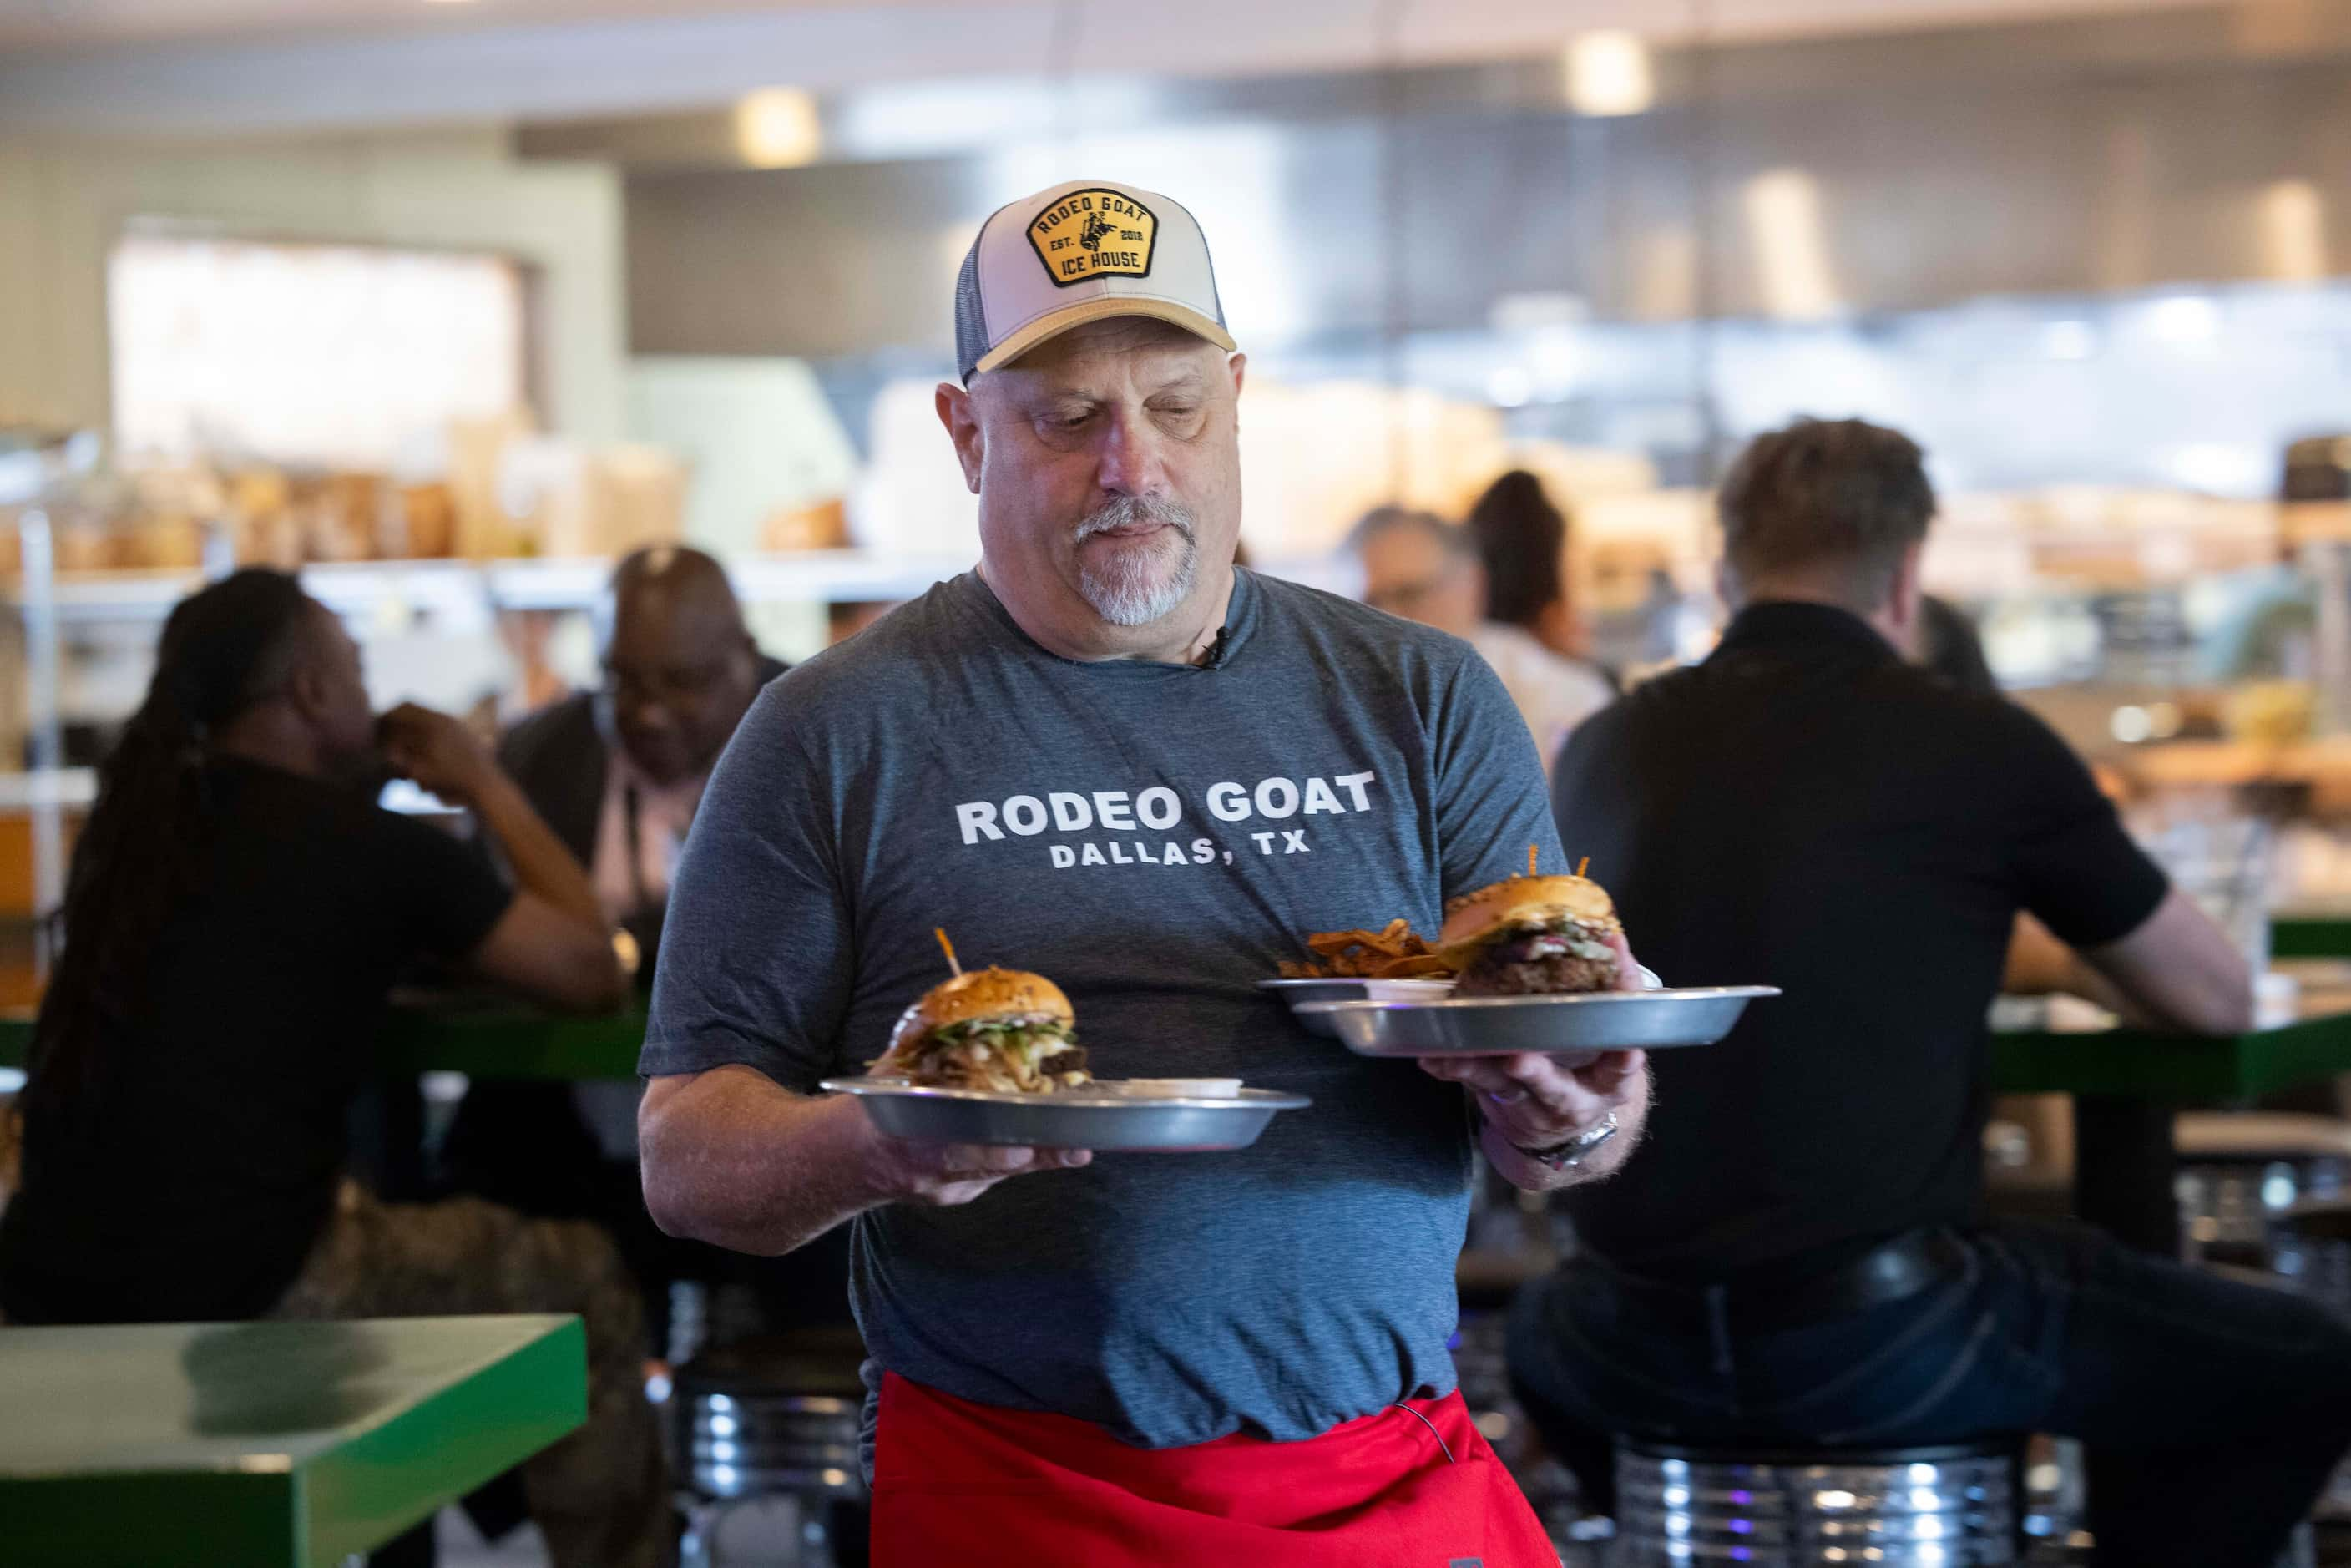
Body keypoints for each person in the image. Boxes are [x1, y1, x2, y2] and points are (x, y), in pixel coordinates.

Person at [636, 178, 1651, 1566]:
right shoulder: (836, 725)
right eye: (1067, 417)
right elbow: (686, 1153)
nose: (1134, 461)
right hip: (1019, 1486)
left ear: (1235, 398)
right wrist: (874, 1145)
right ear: (963, 431)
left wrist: (1579, 1105)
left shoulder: (1424, 697)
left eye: (1174, 403)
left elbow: (1548, 1130)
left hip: (1383, 1480)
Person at [1516, 417, 2351, 1566]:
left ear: (1726, 570)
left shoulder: (1601, 743)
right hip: (1886, 1332)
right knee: (2306, 1363)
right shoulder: (1977, 741)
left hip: (1595, 1338)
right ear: (1907, 576)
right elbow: (2211, 997)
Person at [0, 569, 672, 1568]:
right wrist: (484, 780)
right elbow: (589, 972)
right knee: (587, 1284)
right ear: (313, 693)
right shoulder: (367, 844)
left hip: (50, 1275)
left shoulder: (132, 829)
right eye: (357, 668)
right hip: (253, 1284)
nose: (372, 690)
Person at [1352, 506, 1615, 774]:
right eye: (1368, 603)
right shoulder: (1343, 701)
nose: (1387, 616)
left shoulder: (1560, 696)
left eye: (1410, 595)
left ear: (1471, 583)